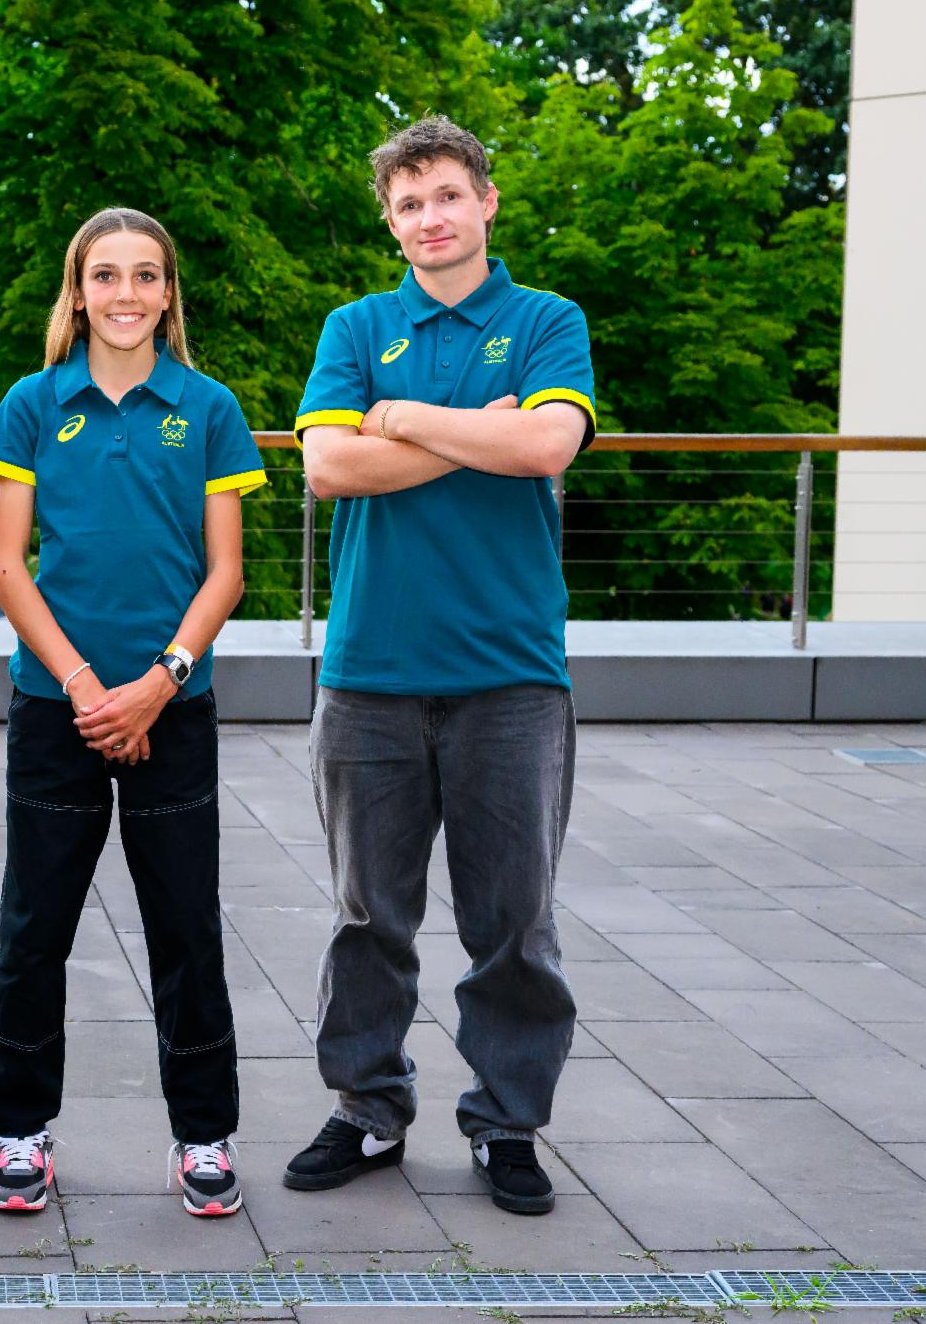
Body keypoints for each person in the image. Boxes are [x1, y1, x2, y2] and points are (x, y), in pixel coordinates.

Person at [286, 116, 595, 1216]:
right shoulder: (356, 323)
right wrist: (475, 430)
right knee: (368, 917)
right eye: (408, 203)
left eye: (446, 196)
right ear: (389, 221)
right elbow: (325, 466)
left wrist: (408, 419)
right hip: (368, 673)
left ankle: (505, 1126)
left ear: (485, 202)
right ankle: (365, 1112)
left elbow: (545, 446)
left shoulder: (546, 320)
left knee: (512, 922)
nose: (429, 218)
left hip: (510, 675)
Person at [0, 208, 267, 1218]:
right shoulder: (29, 404)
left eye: (146, 276)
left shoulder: (209, 406)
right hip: (54, 708)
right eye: (106, 276)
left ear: (168, 293)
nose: (126, 294)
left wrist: (159, 679)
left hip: (170, 709)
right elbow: (7, 566)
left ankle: (203, 1137)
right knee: (31, 928)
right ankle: (19, 1133)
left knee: (184, 928)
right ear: (78, 291)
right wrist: (84, 689)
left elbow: (225, 573)